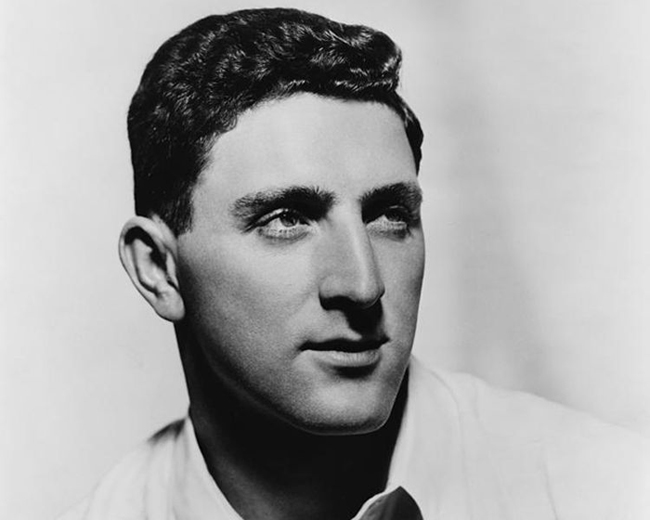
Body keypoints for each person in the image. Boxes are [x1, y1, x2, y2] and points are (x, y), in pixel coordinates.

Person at [61, 7, 649, 520]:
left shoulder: (610, 493)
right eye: (286, 219)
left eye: (389, 215)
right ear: (158, 269)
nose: (364, 285)